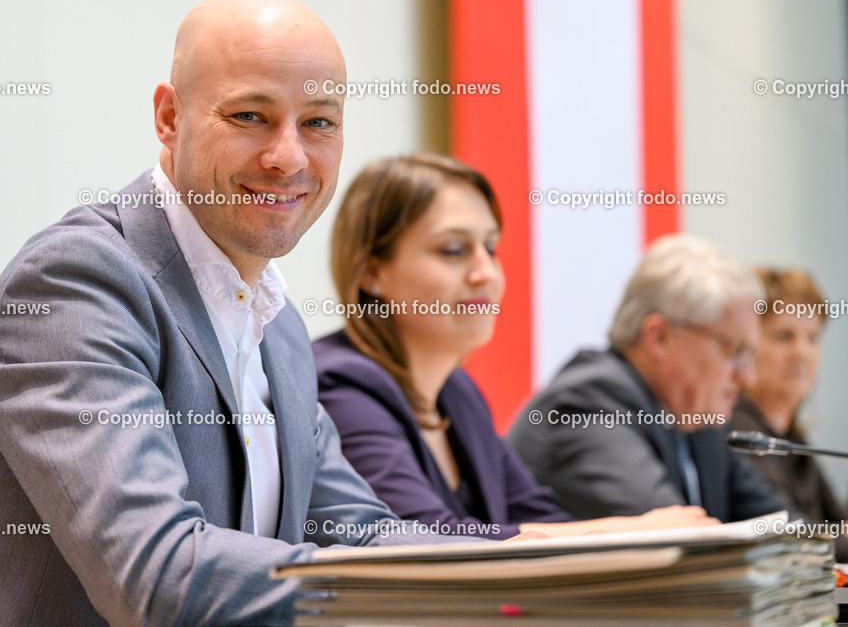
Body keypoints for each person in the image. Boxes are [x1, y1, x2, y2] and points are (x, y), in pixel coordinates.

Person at [0, 0, 473, 627]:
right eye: (249, 116)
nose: (289, 157)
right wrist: (410, 597)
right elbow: (160, 576)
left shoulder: (279, 325)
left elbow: (358, 531)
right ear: (169, 117)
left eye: (319, 122)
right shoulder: (75, 282)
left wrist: (532, 568)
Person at [314, 153, 716, 539]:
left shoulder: (457, 392)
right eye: (453, 250)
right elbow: (428, 540)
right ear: (371, 272)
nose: (484, 273)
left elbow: (537, 514)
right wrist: (635, 530)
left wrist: (634, 532)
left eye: (490, 248)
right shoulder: (343, 389)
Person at [509, 234, 790, 523]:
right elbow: (673, 538)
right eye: (733, 350)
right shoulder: (587, 404)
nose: (747, 377)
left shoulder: (698, 418)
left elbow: (783, 526)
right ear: (660, 337)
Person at [731, 267, 848, 561]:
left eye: (812, 338)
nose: (802, 353)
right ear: (746, 345)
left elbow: (837, 521)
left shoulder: (791, 435)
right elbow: (796, 536)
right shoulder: (740, 432)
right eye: (784, 337)